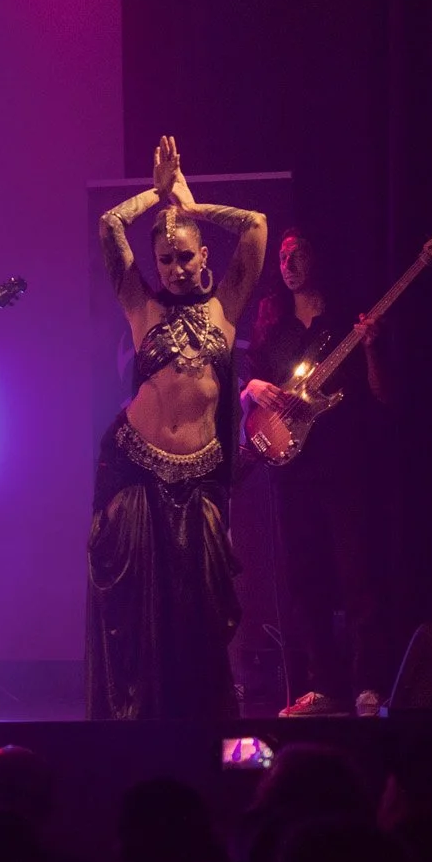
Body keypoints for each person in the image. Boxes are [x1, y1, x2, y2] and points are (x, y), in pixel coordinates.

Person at [88, 136, 266, 719]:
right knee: (134, 610)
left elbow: (257, 226)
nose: (175, 267)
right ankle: (135, 729)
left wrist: (188, 207)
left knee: (203, 606)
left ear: (204, 256)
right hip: (134, 469)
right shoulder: (142, 306)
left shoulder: (225, 307)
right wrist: (156, 194)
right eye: (166, 259)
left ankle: (202, 724)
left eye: (185, 256)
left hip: (201, 479)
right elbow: (112, 224)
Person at [241, 229, 395, 716]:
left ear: (317, 259)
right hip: (293, 469)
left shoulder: (345, 323)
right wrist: (257, 389)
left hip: (343, 466)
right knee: (305, 579)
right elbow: (248, 387)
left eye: (298, 254)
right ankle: (324, 686)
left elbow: (381, 394)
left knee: (357, 576)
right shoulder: (275, 327)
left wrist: (370, 347)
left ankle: (370, 683)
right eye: (283, 256)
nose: (288, 263)